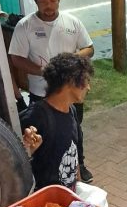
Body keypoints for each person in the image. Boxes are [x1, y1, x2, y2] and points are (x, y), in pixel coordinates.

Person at [8, 0, 95, 182]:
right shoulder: (25, 26)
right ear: (35, 1)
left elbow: (89, 48)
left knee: (73, 128)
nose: (49, 5)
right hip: (42, 92)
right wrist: (43, 71)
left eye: (53, 0)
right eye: (43, 1)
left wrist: (70, 64)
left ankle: (78, 163)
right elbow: (16, 58)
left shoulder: (72, 22)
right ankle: (51, 173)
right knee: (47, 133)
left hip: (70, 90)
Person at [20, 53, 94, 191]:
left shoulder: (71, 110)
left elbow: (73, 151)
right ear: (71, 82)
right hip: (47, 203)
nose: (88, 88)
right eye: (86, 81)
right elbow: (17, 164)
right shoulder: (36, 117)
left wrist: (77, 186)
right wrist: (28, 149)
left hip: (69, 195)